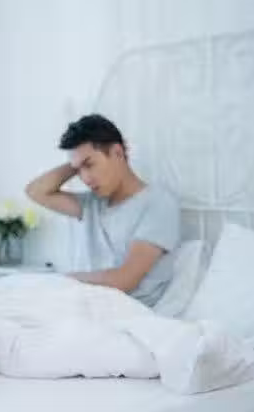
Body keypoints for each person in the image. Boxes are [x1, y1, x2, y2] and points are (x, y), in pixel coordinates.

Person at [26, 114, 180, 307]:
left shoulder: (158, 203)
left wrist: (62, 280)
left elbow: (124, 280)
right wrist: (77, 162)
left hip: (129, 311)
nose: (85, 178)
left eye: (89, 165)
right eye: (79, 171)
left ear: (117, 153)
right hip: (87, 304)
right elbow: (36, 192)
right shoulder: (92, 203)